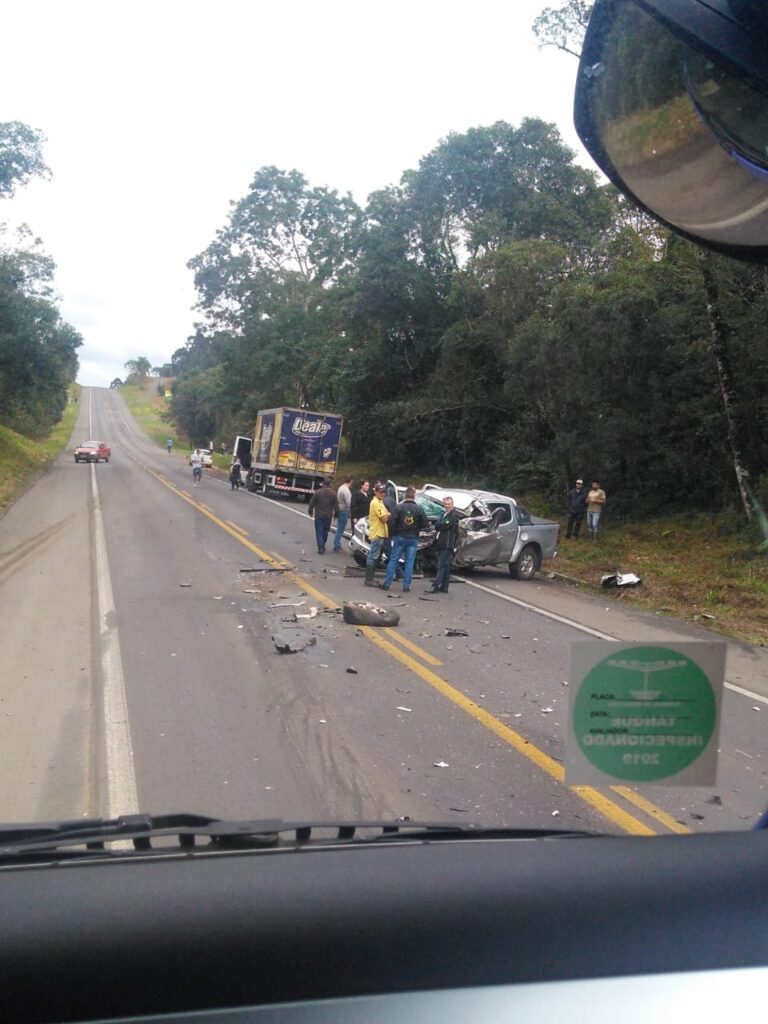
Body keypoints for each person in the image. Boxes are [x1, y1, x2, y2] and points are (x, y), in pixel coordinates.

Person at [382, 487, 429, 593]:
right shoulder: (419, 508)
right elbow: (425, 524)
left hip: (400, 537)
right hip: (413, 538)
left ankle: (387, 583)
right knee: (409, 562)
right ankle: (406, 586)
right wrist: (417, 529)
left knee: (393, 560)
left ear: (405, 496)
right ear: (414, 496)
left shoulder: (399, 507)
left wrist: (392, 534)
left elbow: (392, 522)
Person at [426, 496, 461, 594]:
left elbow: (445, 525)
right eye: (445, 504)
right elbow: (437, 525)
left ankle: (435, 586)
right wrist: (440, 525)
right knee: (445, 565)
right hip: (441, 542)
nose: (447, 506)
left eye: (449, 504)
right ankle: (445, 587)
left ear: (452, 504)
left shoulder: (454, 515)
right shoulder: (443, 514)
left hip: (448, 543)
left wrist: (440, 525)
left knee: (441, 565)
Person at [364, 483, 390, 586]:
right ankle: (369, 579)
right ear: (376, 492)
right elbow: (384, 518)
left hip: (380, 532)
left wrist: (386, 514)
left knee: (375, 556)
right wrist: (387, 515)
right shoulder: (376, 503)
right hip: (377, 532)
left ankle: (370, 578)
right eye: (380, 492)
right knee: (373, 556)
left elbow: (386, 514)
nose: (382, 494)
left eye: (383, 492)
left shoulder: (380, 502)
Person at [308, 478, 338, 554]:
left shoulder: (318, 492)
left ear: (322, 484)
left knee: (319, 531)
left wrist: (310, 511)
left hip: (319, 515)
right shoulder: (333, 493)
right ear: (330, 484)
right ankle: (323, 543)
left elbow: (312, 502)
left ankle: (320, 546)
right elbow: (336, 506)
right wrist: (336, 515)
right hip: (328, 516)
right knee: (325, 531)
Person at [333, 476, 353, 551]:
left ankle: (336, 544)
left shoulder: (340, 487)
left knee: (339, 527)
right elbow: (349, 502)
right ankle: (337, 545)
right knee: (340, 528)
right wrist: (351, 511)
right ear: (350, 481)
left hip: (339, 509)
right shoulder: (346, 490)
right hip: (344, 510)